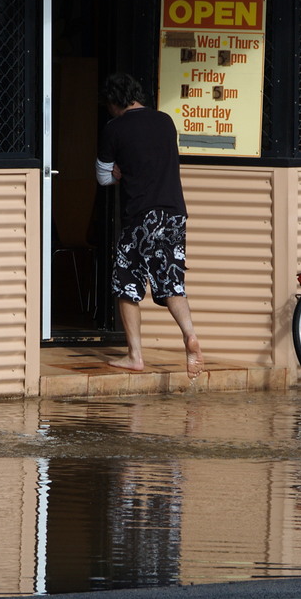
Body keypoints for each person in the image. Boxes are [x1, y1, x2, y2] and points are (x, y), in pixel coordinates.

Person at [95, 72, 203, 379]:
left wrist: (117, 173)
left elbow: (103, 177)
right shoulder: (165, 121)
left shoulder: (114, 128)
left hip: (141, 215)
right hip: (174, 213)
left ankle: (135, 356)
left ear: (114, 102)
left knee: (126, 283)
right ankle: (189, 334)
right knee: (171, 280)